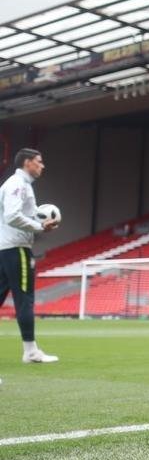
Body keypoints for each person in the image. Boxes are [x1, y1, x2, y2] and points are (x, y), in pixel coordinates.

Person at [1, 148, 60, 367]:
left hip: (4, 248)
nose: (42, 165)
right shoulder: (18, 184)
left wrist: (41, 219)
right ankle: (31, 352)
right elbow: (12, 216)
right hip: (16, 248)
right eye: (39, 161)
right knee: (24, 299)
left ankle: (32, 351)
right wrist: (40, 227)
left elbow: (26, 212)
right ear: (27, 163)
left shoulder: (19, 185)